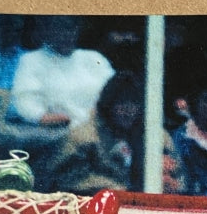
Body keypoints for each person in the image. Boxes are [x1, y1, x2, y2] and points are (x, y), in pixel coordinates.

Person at [44, 72, 181, 195]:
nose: (128, 111)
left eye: (134, 104)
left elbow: (180, 177)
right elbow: (67, 180)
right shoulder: (83, 138)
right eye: (122, 104)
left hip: (145, 208)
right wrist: (120, 191)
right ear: (108, 104)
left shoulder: (158, 138)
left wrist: (169, 181)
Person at [10, 15, 115, 130]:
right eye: (59, 29)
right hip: (60, 132)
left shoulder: (94, 58)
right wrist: (47, 118)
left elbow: (117, 91)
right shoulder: (31, 60)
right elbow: (24, 102)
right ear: (47, 31)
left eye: (70, 29)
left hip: (103, 126)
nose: (66, 35)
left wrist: (98, 113)